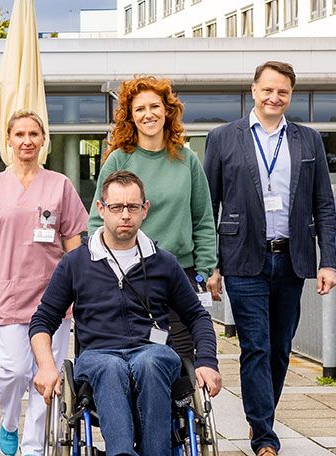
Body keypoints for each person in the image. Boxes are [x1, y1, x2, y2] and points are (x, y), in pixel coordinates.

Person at [199, 60, 336, 456]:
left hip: (291, 258)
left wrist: (327, 261)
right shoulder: (223, 137)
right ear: (253, 90)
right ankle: (264, 435)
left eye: (282, 91)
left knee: (280, 347)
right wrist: (210, 264)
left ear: (290, 95)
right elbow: (208, 203)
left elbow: (324, 206)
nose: (274, 97)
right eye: (268, 90)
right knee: (256, 346)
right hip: (243, 257)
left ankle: (260, 417)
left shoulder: (308, 140)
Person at [29, 170, 223, 456]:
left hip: (152, 353)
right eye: (117, 207)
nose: (125, 215)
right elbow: (42, 321)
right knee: (112, 367)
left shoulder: (163, 262)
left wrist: (207, 361)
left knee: (150, 361)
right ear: (101, 209)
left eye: (133, 207)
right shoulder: (76, 263)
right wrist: (46, 366)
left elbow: (197, 316)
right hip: (99, 356)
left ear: (145, 210)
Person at [0, 110, 87, 456]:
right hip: (9, 292)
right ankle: (8, 421)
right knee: (13, 371)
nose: (27, 141)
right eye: (19, 134)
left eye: (34, 134)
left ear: (43, 140)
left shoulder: (59, 185)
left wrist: (79, 289)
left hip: (54, 297)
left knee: (45, 377)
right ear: (8, 141)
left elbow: (72, 240)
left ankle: (33, 448)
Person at [85, 75, 216, 369]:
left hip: (179, 273)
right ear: (131, 117)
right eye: (140, 109)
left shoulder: (187, 160)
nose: (148, 114)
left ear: (167, 110)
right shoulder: (119, 159)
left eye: (154, 106)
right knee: (135, 359)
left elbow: (203, 219)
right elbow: (97, 219)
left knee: (183, 361)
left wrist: (206, 269)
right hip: (128, 273)